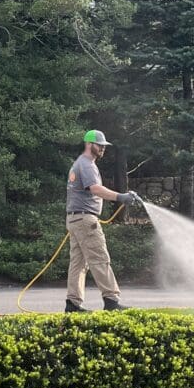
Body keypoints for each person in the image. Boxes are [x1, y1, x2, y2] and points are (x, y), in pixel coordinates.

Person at [65, 129, 138, 313]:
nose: (103, 149)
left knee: (78, 263)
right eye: (100, 145)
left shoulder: (80, 164)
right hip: (85, 220)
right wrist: (121, 197)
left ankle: (72, 304)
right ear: (90, 144)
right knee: (100, 259)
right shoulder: (87, 165)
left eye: (104, 146)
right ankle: (111, 301)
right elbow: (95, 189)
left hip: (75, 219)